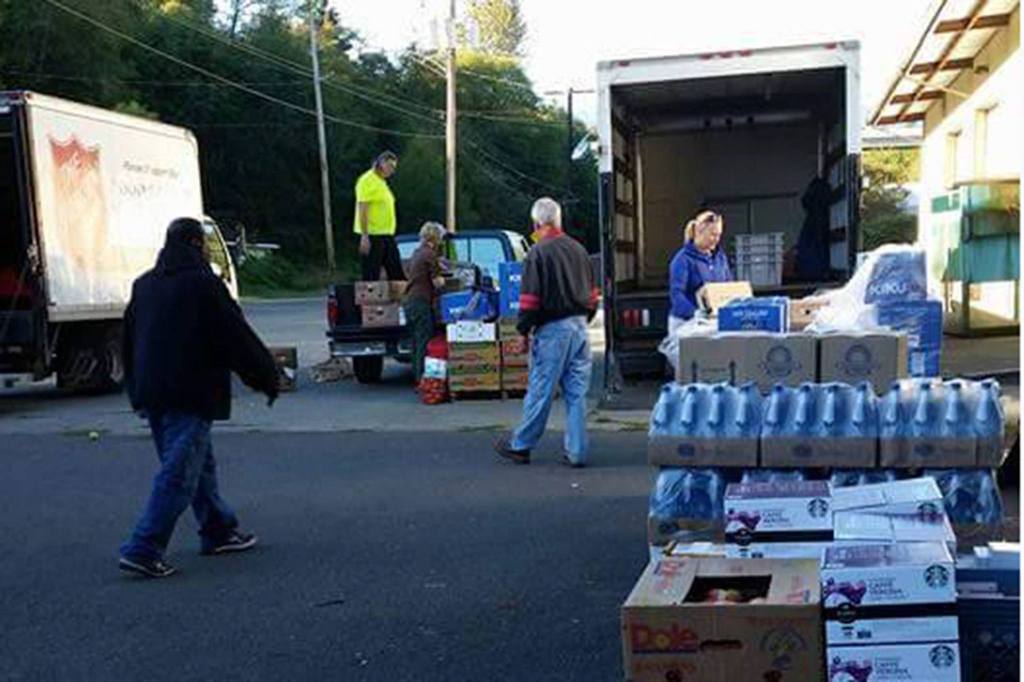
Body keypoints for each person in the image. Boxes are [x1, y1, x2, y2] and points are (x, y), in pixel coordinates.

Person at [118, 217, 280, 579]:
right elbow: (236, 337)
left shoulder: (144, 285)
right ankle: (144, 547)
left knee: (196, 462)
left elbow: (128, 341)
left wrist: (135, 390)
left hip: (152, 392)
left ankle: (218, 529)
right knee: (179, 471)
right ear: (195, 243)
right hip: (191, 390)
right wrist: (266, 377)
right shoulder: (204, 285)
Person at [494, 198, 598, 468]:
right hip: (580, 327)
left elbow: (529, 299)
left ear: (537, 223)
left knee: (541, 389)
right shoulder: (579, 250)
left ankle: (521, 445)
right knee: (576, 394)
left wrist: (522, 330)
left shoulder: (538, 253)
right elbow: (593, 295)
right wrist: (585, 318)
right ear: (559, 221)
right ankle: (577, 453)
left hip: (552, 329)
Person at [667, 210, 733, 334]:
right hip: (685, 324)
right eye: (713, 235)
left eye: (719, 235)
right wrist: (696, 314)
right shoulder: (682, 260)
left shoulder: (720, 258)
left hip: (713, 323)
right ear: (699, 232)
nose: (716, 239)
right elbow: (676, 295)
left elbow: (728, 285)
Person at [403, 221, 447, 383]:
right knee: (424, 341)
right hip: (421, 303)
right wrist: (446, 278)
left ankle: (417, 376)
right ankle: (423, 379)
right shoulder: (429, 254)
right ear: (435, 237)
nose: (441, 241)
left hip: (410, 302)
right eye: (441, 237)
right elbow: (438, 282)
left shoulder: (417, 252)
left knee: (416, 342)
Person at [354, 151, 403, 281]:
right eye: (390, 166)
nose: (392, 170)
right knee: (371, 274)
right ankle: (370, 300)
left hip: (386, 234)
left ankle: (398, 297)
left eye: (394, 167)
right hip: (373, 234)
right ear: (380, 163)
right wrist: (364, 236)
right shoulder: (367, 180)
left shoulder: (381, 181)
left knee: (396, 272)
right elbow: (363, 208)